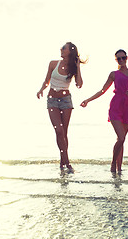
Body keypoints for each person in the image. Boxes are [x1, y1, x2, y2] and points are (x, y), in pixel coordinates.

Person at [80, 49, 128, 173]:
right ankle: (113, 164)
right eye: (118, 59)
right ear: (116, 60)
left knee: (122, 139)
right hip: (116, 106)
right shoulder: (114, 74)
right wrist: (88, 100)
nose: (121, 60)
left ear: (127, 58)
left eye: (123, 58)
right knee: (121, 137)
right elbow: (102, 90)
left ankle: (119, 168)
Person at [37, 42, 86, 171]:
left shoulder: (73, 68)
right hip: (52, 100)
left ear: (70, 51)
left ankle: (62, 162)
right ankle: (67, 162)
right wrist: (41, 89)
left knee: (64, 133)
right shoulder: (53, 63)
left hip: (66, 101)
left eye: (64, 48)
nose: (61, 49)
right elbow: (47, 80)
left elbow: (79, 85)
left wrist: (78, 67)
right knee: (58, 130)